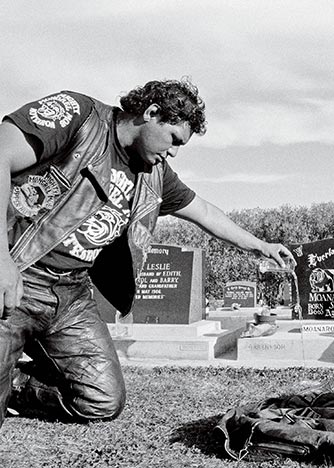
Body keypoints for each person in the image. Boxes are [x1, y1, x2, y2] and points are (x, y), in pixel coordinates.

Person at [0, 79, 294, 428]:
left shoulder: (154, 174)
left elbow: (205, 212)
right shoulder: (79, 117)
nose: (173, 152)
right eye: (174, 139)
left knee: (103, 398)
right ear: (151, 113)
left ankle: (17, 387)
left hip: (70, 294)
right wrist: (2, 259)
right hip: (20, 273)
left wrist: (260, 245)